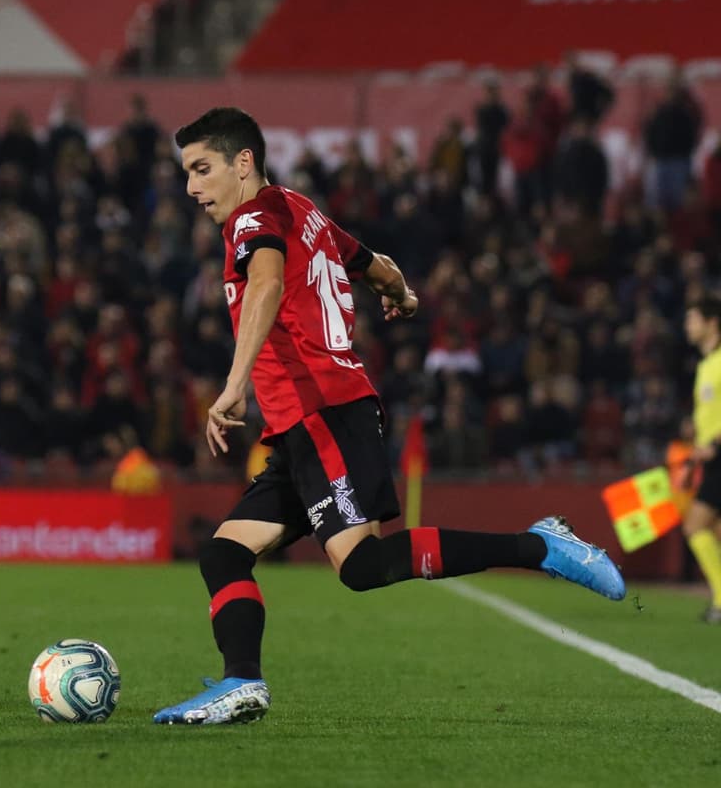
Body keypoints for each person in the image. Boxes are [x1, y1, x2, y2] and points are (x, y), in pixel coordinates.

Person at [153, 107, 625, 726]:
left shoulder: (252, 218)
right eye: (187, 172)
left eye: (202, 168)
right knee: (223, 553)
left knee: (362, 566)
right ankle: (242, 684)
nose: (191, 187)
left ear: (244, 163)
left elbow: (265, 285)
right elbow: (377, 265)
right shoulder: (302, 209)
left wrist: (234, 386)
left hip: (323, 411)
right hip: (305, 426)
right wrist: (399, 295)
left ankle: (540, 546)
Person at [682, 296, 721, 624]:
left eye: (693, 319)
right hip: (711, 458)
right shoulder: (706, 364)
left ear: (712, 323)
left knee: (695, 525)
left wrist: (714, 446)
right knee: (713, 528)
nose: (687, 326)